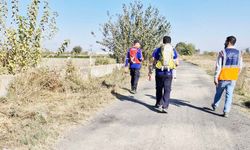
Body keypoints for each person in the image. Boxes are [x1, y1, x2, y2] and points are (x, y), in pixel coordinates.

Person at [211, 36, 243, 117]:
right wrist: (236, 74)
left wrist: (215, 77)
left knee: (218, 93)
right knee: (229, 95)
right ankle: (226, 112)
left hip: (223, 77)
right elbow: (240, 66)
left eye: (225, 41)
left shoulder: (223, 52)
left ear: (228, 42)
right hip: (233, 78)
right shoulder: (239, 52)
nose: (224, 42)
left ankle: (215, 105)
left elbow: (218, 66)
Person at [148, 36, 178, 113]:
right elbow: (176, 62)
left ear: (163, 41)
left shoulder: (158, 49)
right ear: (170, 42)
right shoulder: (173, 50)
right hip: (168, 73)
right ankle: (165, 106)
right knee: (167, 90)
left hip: (159, 72)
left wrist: (150, 71)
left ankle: (158, 103)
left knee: (159, 88)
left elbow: (153, 61)